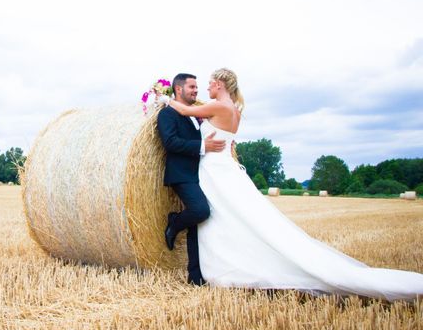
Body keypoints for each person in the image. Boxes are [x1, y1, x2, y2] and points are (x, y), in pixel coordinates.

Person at [159, 68, 423, 301]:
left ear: (220, 84)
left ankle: (215, 267)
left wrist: (160, 96)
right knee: (228, 218)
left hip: (215, 170)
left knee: (221, 216)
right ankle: (205, 268)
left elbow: (184, 109)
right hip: (221, 168)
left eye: (208, 83)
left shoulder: (218, 107)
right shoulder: (235, 112)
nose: (205, 88)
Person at [156, 73, 226, 285]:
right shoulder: (167, 114)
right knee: (200, 211)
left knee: (197, 225)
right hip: (182, 174)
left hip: (200, 173)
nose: (196, 90)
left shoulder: (195, 114)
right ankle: (175, 222)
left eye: (197, 87)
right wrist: (203, 146)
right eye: (192, 87)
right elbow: (171, 143)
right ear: (179, 89)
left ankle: (195, 276)